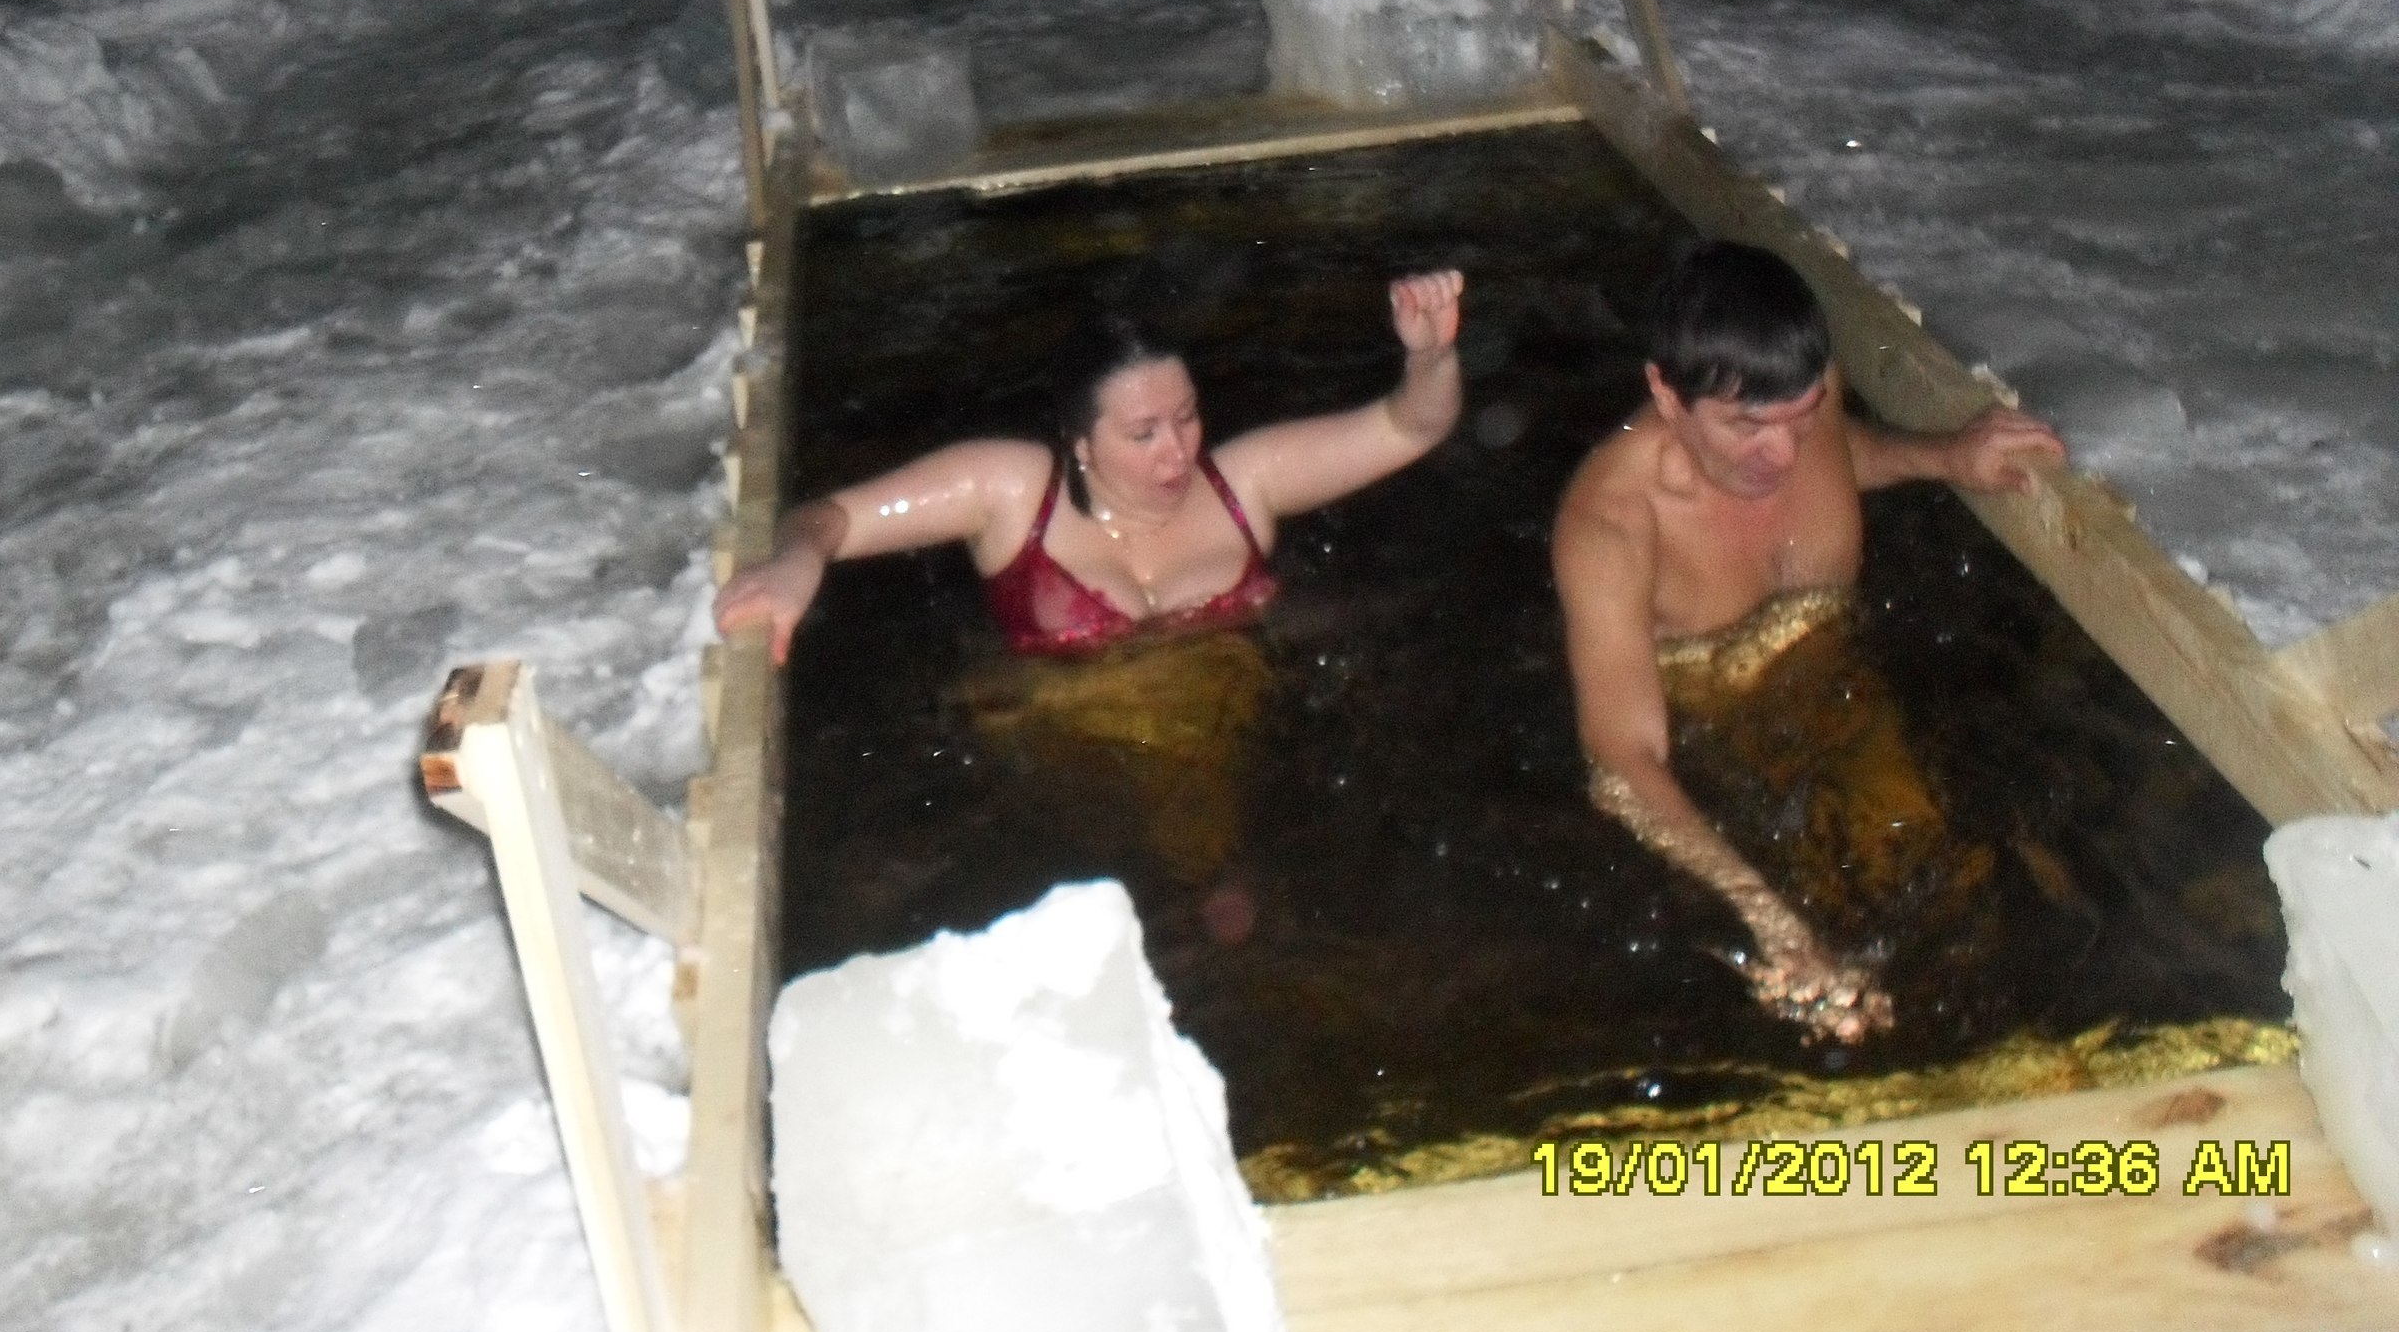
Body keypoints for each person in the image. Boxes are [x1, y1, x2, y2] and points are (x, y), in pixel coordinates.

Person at [1551, 242, 2065, 1040]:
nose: (1785, 455)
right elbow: (1622, 760)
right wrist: (1767, 920)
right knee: (1855, 1009)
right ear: (1666, 393)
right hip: (1725, 750)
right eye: (1749, 427)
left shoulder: (1799, 407)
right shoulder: (1611, 526)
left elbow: (1842, 450)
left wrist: (1945, 456)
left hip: (1846, 690)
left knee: (1986, 902)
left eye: (1804, 413)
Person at [715, 271, 1465, 664]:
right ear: (1080, 442)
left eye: (1187, 416)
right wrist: (795, 562)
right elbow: (828, 519)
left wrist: (1430, 357)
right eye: (1143, 434)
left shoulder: (1246, 481)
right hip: (1068, 781)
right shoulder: (1011, 490)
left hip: (1227, 749)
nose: (1179, 450)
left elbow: (1411, 425)